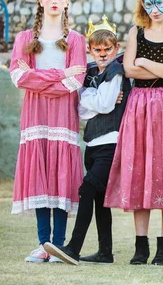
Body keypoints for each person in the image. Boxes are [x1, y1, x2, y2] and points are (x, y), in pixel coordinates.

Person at [104, 0, 163, 265]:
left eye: (159, 2)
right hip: (139, 106)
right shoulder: (135, 33)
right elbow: (128, 70)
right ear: (143, 4)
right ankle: (141, 246)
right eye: (148, 3)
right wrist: (157, 68)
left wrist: (145, 63)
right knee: (139, 169)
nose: (154, 9)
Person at [9, 0, 87, 263]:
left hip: (63, 115)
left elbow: (76, 80)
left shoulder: (76, 40)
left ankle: (59, 245)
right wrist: (58, 75)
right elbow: (19, 77)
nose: (54, 1)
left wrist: (40, 79)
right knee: (40, 175)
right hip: (35, 115)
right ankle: (44, 244)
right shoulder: (25, 39)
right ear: (40, 1)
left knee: (61, 176)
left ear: (66, 3)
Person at [44, 16, 130, 265]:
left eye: (108, 49)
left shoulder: (116, 71)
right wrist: (94, 97)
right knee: (100, 199)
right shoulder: (90, 72)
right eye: (98, 50)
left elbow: (104, 104)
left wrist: (90, 98)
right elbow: (81, 110)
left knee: (87, 188)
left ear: (116, 49)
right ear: (90, 50)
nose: (103, 54)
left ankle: (73, 247)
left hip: (110, 142)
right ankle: (105, 252)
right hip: (92, 144)